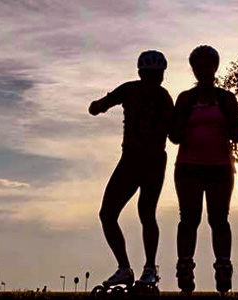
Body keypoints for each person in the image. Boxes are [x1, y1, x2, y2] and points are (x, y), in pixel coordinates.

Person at [88, 50, 174, 290]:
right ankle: (126, 268)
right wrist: (98, 106)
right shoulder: (131, 90)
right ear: (141, 74)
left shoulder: (161, 97)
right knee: (109, 214)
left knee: (145, 212)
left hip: (152, 161)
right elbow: (101, 105)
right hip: (133, 160)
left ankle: (147, 268)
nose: (153, 80)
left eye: (157, 76)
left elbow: (174, 132)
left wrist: (98, 106)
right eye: (150, 75)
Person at [168, 45, 238, 294]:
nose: (204, 69)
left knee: (219, 219)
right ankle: (185, 268)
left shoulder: (227, 98)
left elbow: (236, 133)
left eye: (208, 64)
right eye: (199, 65)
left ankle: (223, 268)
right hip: (188, 166)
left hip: (220, 167)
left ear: (215, 67)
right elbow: (175, 136)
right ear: (193, 69)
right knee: (189, 219)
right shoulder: (185, 98)